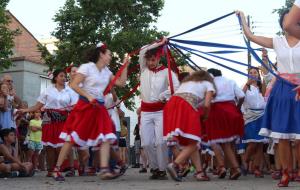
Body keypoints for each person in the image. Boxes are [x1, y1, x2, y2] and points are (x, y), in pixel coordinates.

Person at [238, 10, 300, 187]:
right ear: (283, 23)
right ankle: (286, 173)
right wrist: (242, 18)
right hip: (282, 91)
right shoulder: (277, 41)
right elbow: (249, 35)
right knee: (282, 136)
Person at [53, 42, 129, 181]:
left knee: (106, 135)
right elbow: (74, 85)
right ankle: (57, 169)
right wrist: (88, 96)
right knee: (72, 138)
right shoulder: (87, 67)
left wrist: (125, 66)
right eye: (109, 54)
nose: (111, 57)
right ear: (101, 54)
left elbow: (121, 83)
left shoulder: (107, 72)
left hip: (99, 108)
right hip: (84, 106)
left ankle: (105, 169)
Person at [19, 69, 73, 177]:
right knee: (49, 147)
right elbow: (37, 106)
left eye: (65, 76)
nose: (64, 78)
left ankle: (58, 168)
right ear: (56, 78)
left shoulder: (70, 91)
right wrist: (25, 110)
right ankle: (50, 170)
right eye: (61, 76)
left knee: (60, 146)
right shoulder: (48, 90)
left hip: (63, 121)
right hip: (50, 121)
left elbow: (75, 106)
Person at [139, 37, 180, 180]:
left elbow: (176, 87)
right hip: (145, 112)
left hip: (161, 111)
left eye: (153, 59)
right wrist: (160, 43)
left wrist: (164, 95)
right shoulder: (143, 69)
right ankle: (154, 168)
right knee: (146, 143)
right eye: (148, 59)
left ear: (158, 59)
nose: (151, 62)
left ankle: (162, 170)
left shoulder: (167, 71)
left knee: (161, 142)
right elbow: (143, 50)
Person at [164, 70, 215, 182]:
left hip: (172, 105)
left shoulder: (188, 82)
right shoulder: (209, 84)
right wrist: (205, 117)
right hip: (185, 105)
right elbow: (206, 105)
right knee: (195, 141)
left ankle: (199, 172)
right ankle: (175, 164)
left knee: (192, 141)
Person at [205, 68, 245, 180]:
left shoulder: (210, 83)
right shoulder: (231, 81)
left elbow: (206, 100)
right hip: (232, 110)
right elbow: (241, 96)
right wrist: (237, 108)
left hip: (216, 112)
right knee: (229, 143)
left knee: (215, 141)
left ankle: (224, 167)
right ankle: (232, 168)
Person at [241, 67, 268, 178]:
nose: (253, 74)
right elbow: (240, 95)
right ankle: (245, 162)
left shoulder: (262, 87)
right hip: (250, 116)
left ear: (258, 74)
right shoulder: (247, 87)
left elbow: (266, 97)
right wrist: (247, 84)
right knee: (252, 143)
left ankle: (256, 168)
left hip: (262, 115)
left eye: (255, 72)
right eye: (250, 73)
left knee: (260, 144)